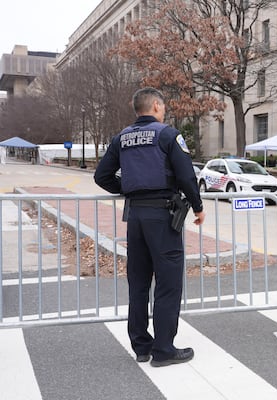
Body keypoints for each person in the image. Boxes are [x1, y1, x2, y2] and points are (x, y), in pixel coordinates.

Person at [94, 87, 206, 367]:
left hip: (135, 218)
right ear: (156, 105)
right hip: (163, 217)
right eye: (163, 106)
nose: (164, 110)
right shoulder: (168, 134)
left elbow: (101, 175)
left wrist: (128, 189)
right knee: (168, 284)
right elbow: (186, 176)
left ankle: (142, 347)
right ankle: (164, 349)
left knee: (139, 283)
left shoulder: (121, 138)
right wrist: (198, 206)